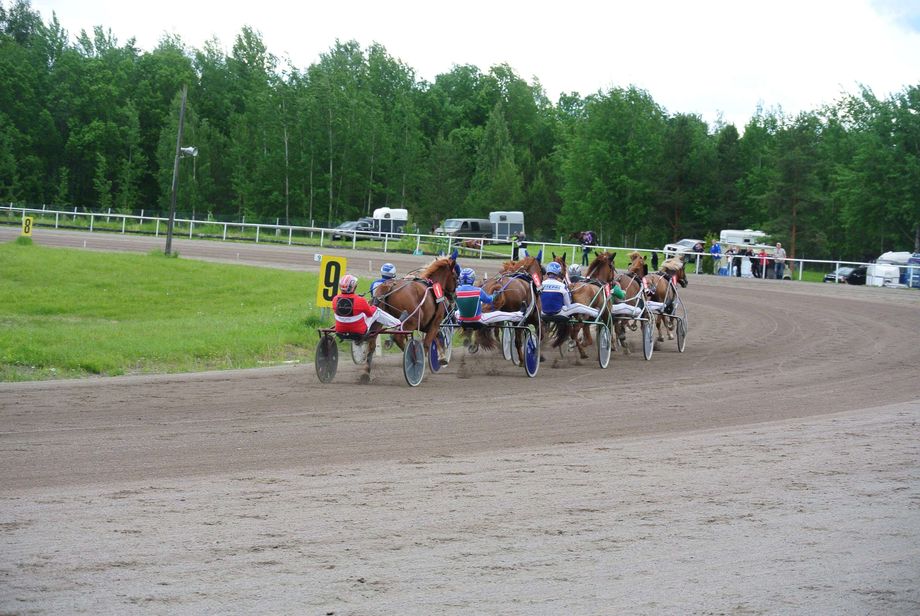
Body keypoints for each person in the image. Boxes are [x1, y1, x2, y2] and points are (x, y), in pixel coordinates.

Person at [332, 274, 401, 335]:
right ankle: (397, 323)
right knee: (376, 311)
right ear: (354, 287)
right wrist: (372, 306)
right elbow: (369, 314)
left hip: (340, 330)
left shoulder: (335, 299)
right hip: (359, 331)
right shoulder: (360, 300)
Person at [455, 268, 525, 325]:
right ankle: (520, 315)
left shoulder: (456, 291)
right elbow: (489, 300)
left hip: (461, 319)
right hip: (478, 319)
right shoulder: (478, 290)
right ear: (472, 279)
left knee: (457, 311)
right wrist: (495, 294)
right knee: (499, 314)